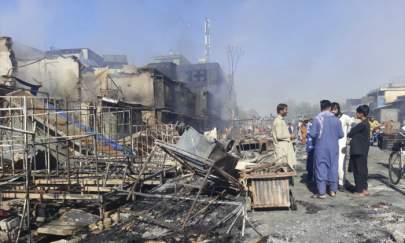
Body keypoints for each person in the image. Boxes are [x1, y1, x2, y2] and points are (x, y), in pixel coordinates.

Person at [310, 100, 344, 198]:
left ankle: (322, 192)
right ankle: (333, 191)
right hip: (333, 148)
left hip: (320, 148)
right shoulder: (337, 120)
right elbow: (341, 135)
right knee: (333, 167)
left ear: (321, 108)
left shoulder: (317, 119)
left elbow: (312, 134)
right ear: (330, 108)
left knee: (321, 167)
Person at [348, 105, 371, 197]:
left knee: (358, 171)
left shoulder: (362, 124)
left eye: (357, 112)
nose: (356, 114)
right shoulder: (366, 123)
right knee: (363, 170)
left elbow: (350, 133)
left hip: (358, 151)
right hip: (363, 150)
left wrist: (354, 123)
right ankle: (364, 189)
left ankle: (360, 190)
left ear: (361, 114)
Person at [331, 102, 354, 192]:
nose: (334, 111)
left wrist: (348, 134)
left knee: (340, 165)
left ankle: (341, 183)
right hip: (332, 144)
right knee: (332, 164)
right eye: (332, 109)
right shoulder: (330, 118)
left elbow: (352, 123)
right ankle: (332, 182)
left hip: (341, 144)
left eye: (335, 109)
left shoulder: (344, 117)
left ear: (338, 109)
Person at [306, 119, 315, 183]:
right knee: (312, 162)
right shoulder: (312, 127)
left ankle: (310, 177)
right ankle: (311, 177)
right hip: (312, 147)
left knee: (310, 161)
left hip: (310, 147)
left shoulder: (309, 127)